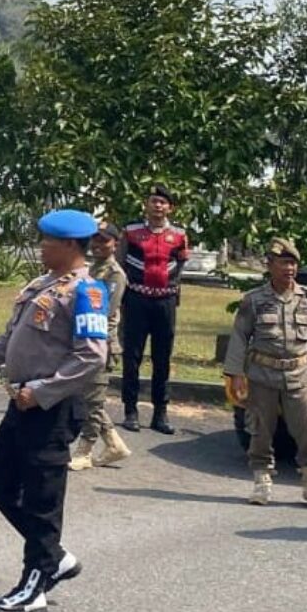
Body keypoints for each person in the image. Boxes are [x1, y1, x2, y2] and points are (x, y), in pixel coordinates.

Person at [0, 209, 108, 612]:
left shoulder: (88, 291)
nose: (41, 246)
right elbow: (10, 340)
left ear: (69, 246)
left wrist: (43, 391)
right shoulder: (40, 285)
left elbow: (92, 356)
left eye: (48, 241)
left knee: (44, 498)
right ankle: (54, 557)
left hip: (51, 408)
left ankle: (35, 585)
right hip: (21, 403)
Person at [223, 238, 307, 508]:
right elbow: (239, 337)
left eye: (293, 263)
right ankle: (262, 483)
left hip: (298, 375)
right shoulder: (254, 300)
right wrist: (235, 374)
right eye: (284, 263)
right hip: (262, 376)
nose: (290, 269)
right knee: (260, 430)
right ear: (270, 265)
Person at [119, 183, 190, 435]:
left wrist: (172, 292)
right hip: (136, 300)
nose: (158, 206)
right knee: (132, 356)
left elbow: (180, 266)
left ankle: (160, 413)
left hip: (165, 303)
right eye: (153, 201)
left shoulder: (180, 235)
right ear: (146, 205)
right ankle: (130, 410)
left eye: (163, 202)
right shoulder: (130, 231)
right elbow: (120, 264)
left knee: (162, 358)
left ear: (170, 207)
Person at [69, 222, 131, 470]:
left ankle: (85, 450)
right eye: (95, 240)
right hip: (83, 338)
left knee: (91, 400)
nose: (97, 245)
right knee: (87, 397)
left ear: (115, 243)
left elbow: (106, 310)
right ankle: (114, 444)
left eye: (104, 240)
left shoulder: (114, 274)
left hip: (101, 342)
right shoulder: (92, 268)